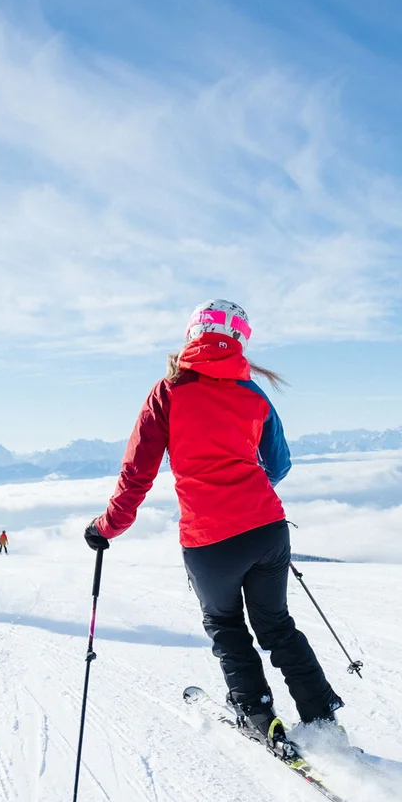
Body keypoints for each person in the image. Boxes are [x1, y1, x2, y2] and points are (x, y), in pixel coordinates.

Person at [84, 299, 343, 757]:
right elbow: (278, 464)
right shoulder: (252, 392)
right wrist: (245, 484)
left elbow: (137, 473)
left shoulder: (168, 391)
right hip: (267, 528)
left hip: (210, 540)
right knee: (277, 626)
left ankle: (259, 715)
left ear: (191, 335)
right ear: (241, 339)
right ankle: (323, 721)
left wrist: (107, 527)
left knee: (225, 625)